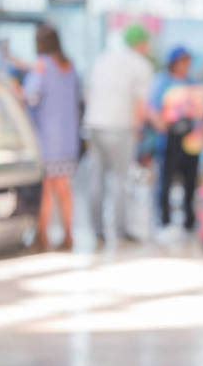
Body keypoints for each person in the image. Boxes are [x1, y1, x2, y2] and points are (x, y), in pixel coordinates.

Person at [84, 24, 154, 244]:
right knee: (120, 180)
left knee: (96, 179)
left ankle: (96, 230)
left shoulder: (104, 58)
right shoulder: (141, 65)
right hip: (120, 127)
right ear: (140, 43)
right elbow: (140, 104)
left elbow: (89, 92)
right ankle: (121, 230)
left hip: (93, 125)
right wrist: (138, 128)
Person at [23, 24, 81, 251]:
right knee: (64, 188)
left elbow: (31, 96)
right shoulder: (69, 66)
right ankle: (69, 235)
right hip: (68, 139)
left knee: (46, 188)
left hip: (46, 138)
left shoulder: (42, 66)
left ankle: (42, 236)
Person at [149, 46, 203, 233]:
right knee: (166, 180)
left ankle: (189, 221)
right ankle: (164, 221)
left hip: (191, 138)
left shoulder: (191, 81)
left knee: (191, 181)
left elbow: (200, 106)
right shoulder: (162, 82)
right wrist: (163, 125)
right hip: (170, 138)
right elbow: (153, 108)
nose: (185, 66)